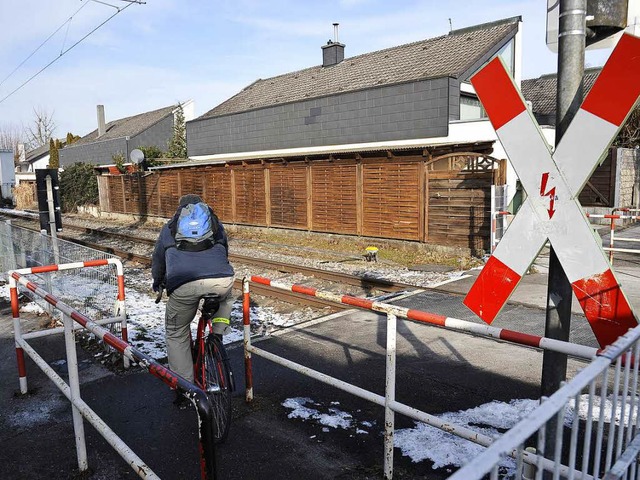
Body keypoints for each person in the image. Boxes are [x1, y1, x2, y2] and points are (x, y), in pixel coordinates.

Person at [151, 194, 235, 394]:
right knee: (227, 298)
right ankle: (218, 333)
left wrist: (158, 282)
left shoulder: (170, 228)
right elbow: (224, 250)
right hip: (221, 279)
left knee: (176, 331)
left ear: (180, 211)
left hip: (183, 284)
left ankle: (185, 387)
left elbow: (158, 260)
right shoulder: (215, 224)